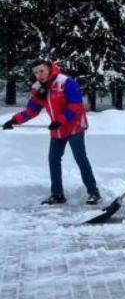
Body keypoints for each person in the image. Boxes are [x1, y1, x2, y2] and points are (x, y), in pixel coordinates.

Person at [2, 60, 101, 205]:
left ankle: (94, 193)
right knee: (53, 160)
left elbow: (76, 105)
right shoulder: (38, 88)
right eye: (35, 72)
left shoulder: (65, 82)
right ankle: (57, 194)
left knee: (80, 158)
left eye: (41, 71)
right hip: (57, 129)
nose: (38, 75)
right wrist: (14, 120)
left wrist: (60, 120)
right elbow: (32, 110)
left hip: (74, 126)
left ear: (49, 69)